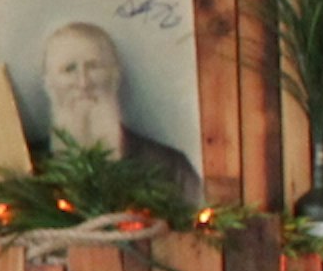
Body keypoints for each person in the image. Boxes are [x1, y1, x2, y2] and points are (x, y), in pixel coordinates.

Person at [38, 20, 202, 207]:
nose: (83, 83)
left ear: (115, 77)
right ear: (48, 84)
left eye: (93, 66)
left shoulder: (171, 168)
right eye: (69, 69)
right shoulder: (27, 169)